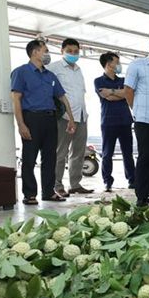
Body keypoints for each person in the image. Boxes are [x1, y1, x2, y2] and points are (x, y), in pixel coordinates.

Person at [11, 39, 76, 205]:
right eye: (45, 50)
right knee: (29, 157)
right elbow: (16, 99)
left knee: (50, 157)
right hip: (31, 118)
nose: (47, 54)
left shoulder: (50, 75)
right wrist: (21, 124)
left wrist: (71, 119)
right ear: (35, 52)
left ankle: (48, 192)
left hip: (50, 119)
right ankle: (30, 194)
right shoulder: (21, 72)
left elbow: (62, 97)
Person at [47, 38, 93, 197]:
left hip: (81, 115)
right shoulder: (53, 68)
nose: (73, 54)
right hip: (65, 116)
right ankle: (57, 185)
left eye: (76, 51)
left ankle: (75, 184)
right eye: (70, 51)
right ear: (62, 51)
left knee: (79, 152)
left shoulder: (78, 69)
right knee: (61, 152)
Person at [124, 34, 149, 206]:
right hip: (144, 119)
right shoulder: (137, 65)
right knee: (146, 156)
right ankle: (141, 195)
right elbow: (128, 90)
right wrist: (136, 110)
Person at [94, 52, 135, 192]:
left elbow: (127, 94)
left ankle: (132, 180)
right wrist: (119, 93)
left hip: (125, 120)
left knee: (127, 153)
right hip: (109, 121)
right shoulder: (98, 81)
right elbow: (108, 98)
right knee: (107, 153)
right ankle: (107, 181)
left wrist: (112, 92)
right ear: (108, 64)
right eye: (116, 62)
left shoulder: (123, 80)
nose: (119, 65)